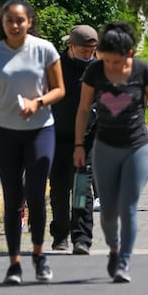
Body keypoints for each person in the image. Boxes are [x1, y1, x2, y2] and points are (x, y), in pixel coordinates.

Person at [74, 21, 148, 283]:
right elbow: (84, 110)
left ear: (129, 55)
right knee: (107, 211)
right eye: (106, 61)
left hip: (137, 146)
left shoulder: (142, 71)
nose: (111, 67)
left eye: (115, 62)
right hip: (105, 146)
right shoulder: (95, 72)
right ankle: (114, 248)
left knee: (128, 206)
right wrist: (77, 145)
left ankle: (124, 262)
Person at [0, 0, 66, 285]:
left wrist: (37, 102)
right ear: (2, 24)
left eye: (20, 20)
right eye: (9, 21)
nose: (14, 25)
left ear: (29, 21)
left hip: (40, 130)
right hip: (5, 133)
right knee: (13, 199)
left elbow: (59, 90)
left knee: (36, 196)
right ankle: (14, 262)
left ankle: (39, 255)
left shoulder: (44, 50)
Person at [49, 25, 98, 255]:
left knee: (81, 187)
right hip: (57, 136)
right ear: (71, 47)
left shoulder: (97, 68)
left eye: (92, 51)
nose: (88, 56)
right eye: (84, 51)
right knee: (59, 188)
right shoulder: (55, 66)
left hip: (86, 138)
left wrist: (96, 112)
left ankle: (82, 238)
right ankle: (60, 234)